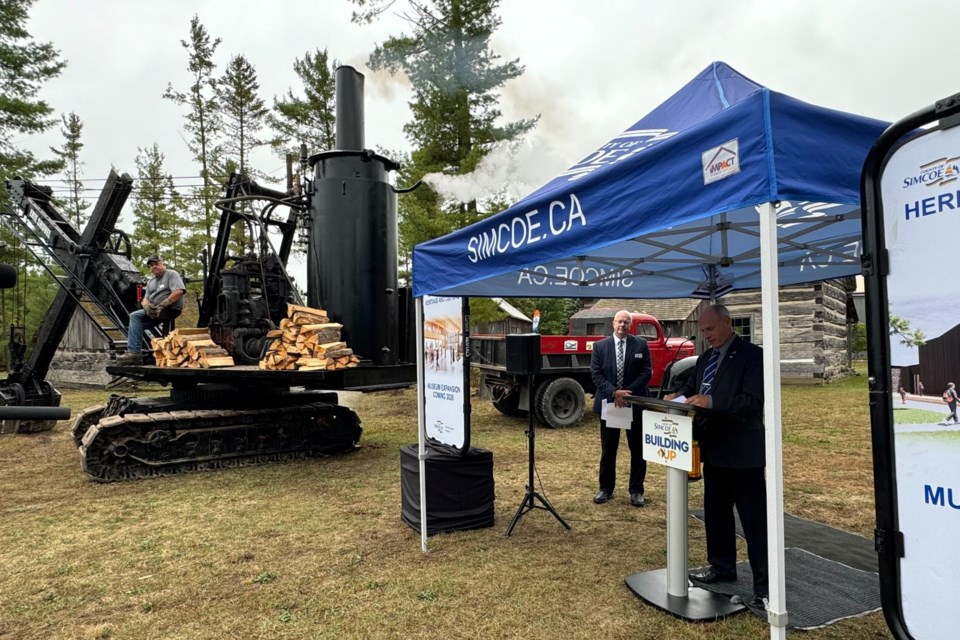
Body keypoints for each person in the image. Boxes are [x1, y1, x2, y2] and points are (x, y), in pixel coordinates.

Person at [666, 303, 768, 608]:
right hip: (712, 447)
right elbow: (691, 386)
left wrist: (711, 401)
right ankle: (722, 567)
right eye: (702, 331)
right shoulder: (706, 358)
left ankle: (764, 584)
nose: (706, 336)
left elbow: (751, 402)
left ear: (727, 323)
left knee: (753, 519)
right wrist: (675, 397)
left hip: (742, 451)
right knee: (716, 511)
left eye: (710, 329)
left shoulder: (752, 356)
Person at [590, 309, 652, 507]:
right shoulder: (600, 347)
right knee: (609, 449)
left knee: (638, 449)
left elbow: (646, 373)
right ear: (613, 324)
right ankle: (605, 488)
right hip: (610, 404)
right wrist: (614, 392)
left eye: (626, 322)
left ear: (630, 325)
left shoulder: (641, 345)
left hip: (634, 403)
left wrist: (627, 393)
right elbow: (596, 374)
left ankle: (636, 490)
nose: (622, 325)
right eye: (619, 322)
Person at [117, 255, 185, 364]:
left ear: (163, 264)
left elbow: (178, 291)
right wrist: (147, 308)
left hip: (170, 308)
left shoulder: (171, 274)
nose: (154, 267)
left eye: (156, 264)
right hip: (154, 310)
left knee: (134, 316)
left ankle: (134, 353)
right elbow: (145, 299)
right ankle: (137, 354)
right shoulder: (151, 281)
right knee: (135, 326)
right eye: (151, 265)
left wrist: (162, 305)